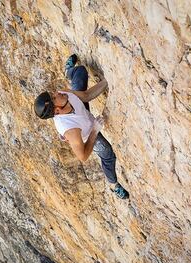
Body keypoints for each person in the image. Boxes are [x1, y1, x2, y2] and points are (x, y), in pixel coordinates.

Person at [34, 54, 129, 199]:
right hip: (87, 132)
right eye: (54, 97)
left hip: (81, 112)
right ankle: (114, 185)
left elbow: (86, 96)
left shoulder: (64, 96)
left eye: (52, 94)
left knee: (80, 72)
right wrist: (94, 131)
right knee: (107, 154)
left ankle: (69, 72)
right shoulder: (71, 131)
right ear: (57, 110)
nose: (57, 92)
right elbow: (83, 156)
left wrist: (109, 80)